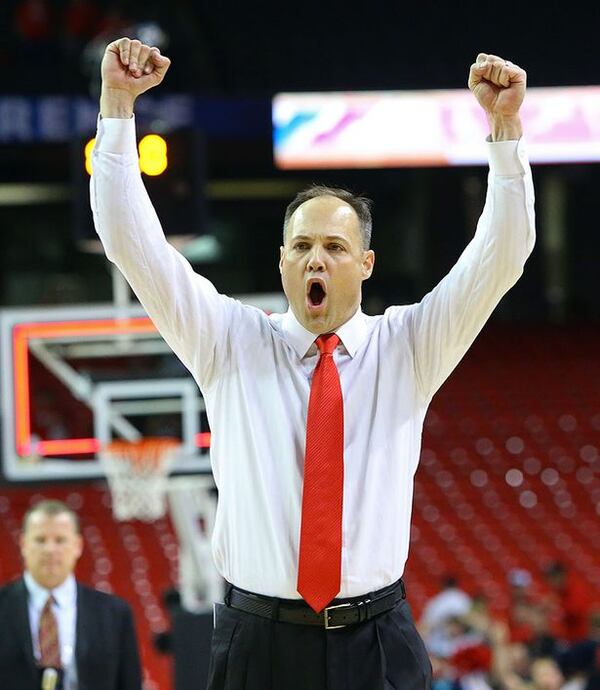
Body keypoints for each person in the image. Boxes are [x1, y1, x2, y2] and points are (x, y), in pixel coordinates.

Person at [91, 37, 535, 690]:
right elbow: (130, 241)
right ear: (281, 263)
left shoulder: (409, 346)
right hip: (256, 644)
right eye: (301, 245)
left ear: (366, 264)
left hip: (378, 643)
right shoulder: (227, 341)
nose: (316, 259)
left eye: (334, 245)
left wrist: (504, 132)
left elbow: (503, 255)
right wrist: (117, 107)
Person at [0, 500, 142, 690]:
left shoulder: (115, 614)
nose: (50, 550)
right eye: (40, 540)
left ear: (78, 545)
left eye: (60, 540)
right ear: (24, 544)